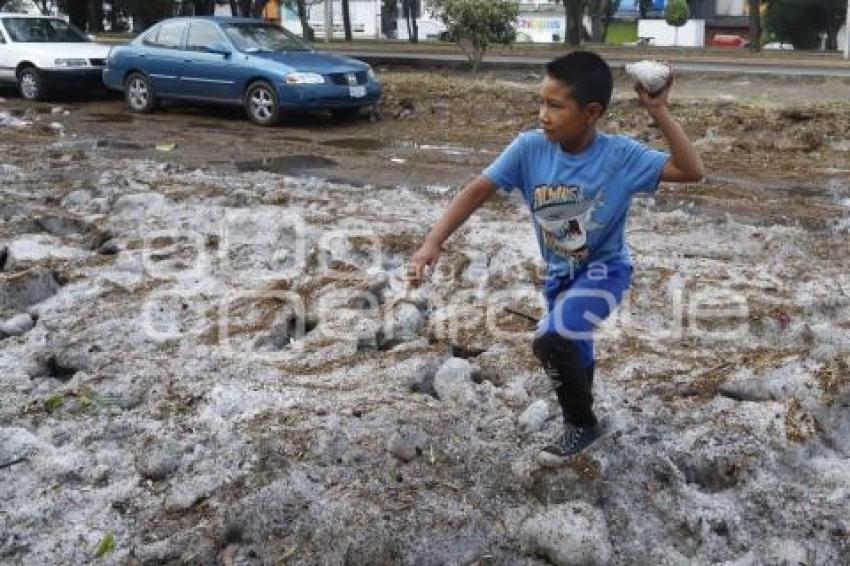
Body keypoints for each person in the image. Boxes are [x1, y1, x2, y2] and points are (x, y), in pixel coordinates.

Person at [407, 51, 704, 458]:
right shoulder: (529, 149)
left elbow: (691, 170)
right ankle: (581, 417)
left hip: (605, 270)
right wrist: (432, 242)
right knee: (572, 351)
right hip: (559, 276)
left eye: (556, 105)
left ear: (591, 112)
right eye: (542, 102)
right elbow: (478, 190)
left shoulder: (620, 156)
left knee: (552, 338)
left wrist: (659, 112)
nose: (543, 114)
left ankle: (581, 425)